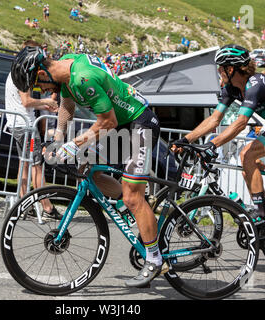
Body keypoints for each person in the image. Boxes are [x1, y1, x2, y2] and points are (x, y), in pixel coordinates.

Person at [10, 45, 163, 288]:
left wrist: (74, 144)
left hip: (139, 122)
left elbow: (108, 121)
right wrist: (58, 138)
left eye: (40, 86)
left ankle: (154, 258)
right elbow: (67, 105)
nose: (44, 91)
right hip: (120, 125)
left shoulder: (82, 79)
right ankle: (134, 209)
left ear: (41, 73)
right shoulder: (67, 67)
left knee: (134, 196)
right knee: (87, 169)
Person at [171, 44, 265, 231]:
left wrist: (212, 144)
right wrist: (186, 140)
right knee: (248, 168)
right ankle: (264, 220)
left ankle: (260, 214)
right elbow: (214, 119)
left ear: (231, 69)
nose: (218, 71)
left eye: (220, 68)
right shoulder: (231, 89)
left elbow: (241, 122)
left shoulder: (256, 83)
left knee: (247, 154)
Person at [5, 44, 60, 219]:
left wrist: (45, 105)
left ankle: (23, 203)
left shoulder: (15, 72)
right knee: (37, 166)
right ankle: (47, 207)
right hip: (26, 125)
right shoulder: (22, 75)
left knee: (25, 164)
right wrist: (48, 102)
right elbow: (26, 102)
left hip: (18, 124)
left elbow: (25, 102)